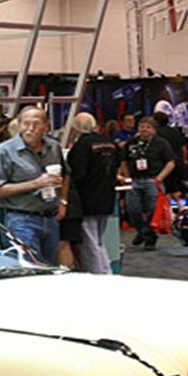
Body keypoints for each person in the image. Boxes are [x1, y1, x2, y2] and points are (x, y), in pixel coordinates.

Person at [0, 105, 65, 266]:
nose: (30, 128)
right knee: (29, 267)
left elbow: (66, 174)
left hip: (50, 218)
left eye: (36, 124)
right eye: (26, 123)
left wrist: (63, 200)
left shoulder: (54, 147)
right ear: (19, 125)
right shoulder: (5, 151)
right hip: (22, 219)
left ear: (46, 126)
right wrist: (35, 184)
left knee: (49, 268)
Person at [62, 113, 119, 274]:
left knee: (90, 242)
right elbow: (117, 166)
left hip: (86, 199)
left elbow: (77, 173)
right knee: (100, 241)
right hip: (107, 196)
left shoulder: (81, 146)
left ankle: (98, 275)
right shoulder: (110, 143)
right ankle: (107, 272)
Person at [118, 118, 176, 249]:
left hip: (152, 180)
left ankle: (149, 238)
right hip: (135, 180)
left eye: (148, 127)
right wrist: (127, 177)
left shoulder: (161, 143)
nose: (144, 129)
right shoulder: (131, 143)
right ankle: (144, 232)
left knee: (152, 210)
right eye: (142, 126)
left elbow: (171, 162)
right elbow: (124, 161)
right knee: (132, 210)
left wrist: (160, 178)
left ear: (154, 130)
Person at [151, 110, 188, 195]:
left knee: (166, 188)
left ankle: (167, 206)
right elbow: (184, 147)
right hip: (178, 162)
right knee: (177, 187)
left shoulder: (156, 133)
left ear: (156, 122)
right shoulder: (175, 131)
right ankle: (180, 206)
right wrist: (184, 159)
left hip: (164, 164)